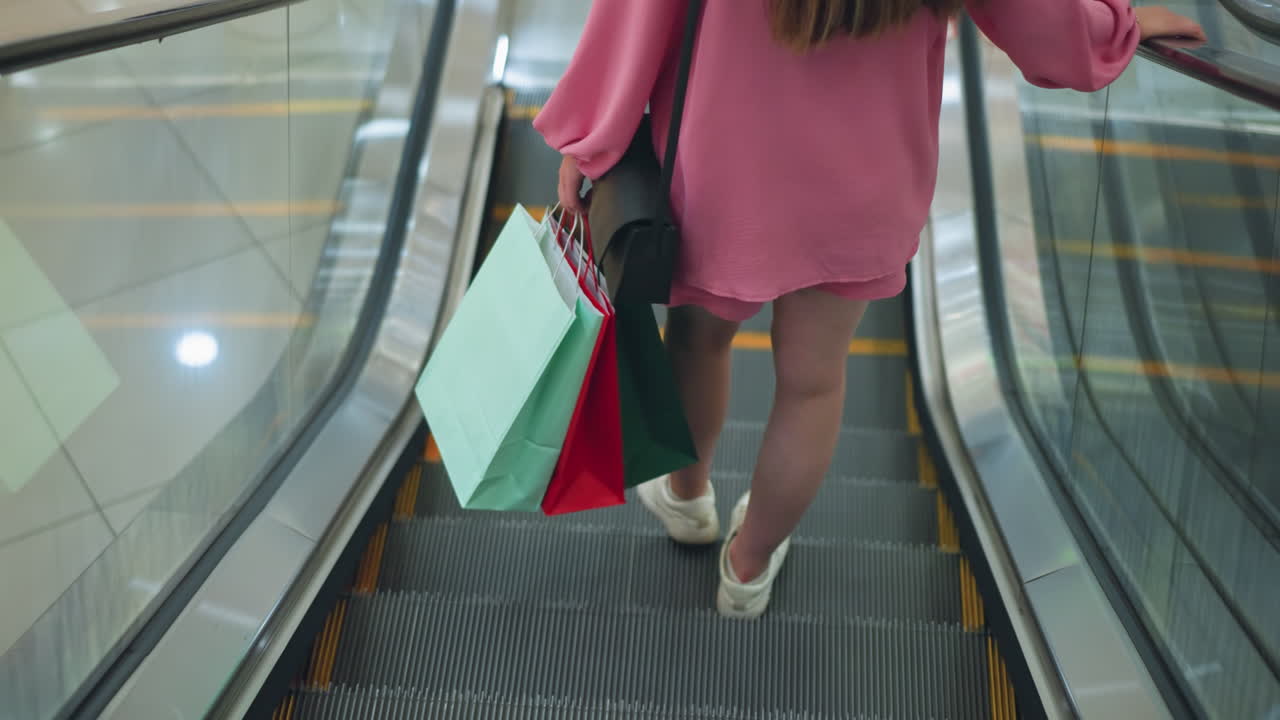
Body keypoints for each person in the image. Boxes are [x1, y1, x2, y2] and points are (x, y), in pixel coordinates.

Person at [534, 0, 1204, 620]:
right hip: (869, 181)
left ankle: (686, 500)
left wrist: (593, 134)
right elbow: (1040, 21)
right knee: (813, 381)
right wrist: (1116, 26)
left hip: (727, 161)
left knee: (696, 341)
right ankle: (748, 569)